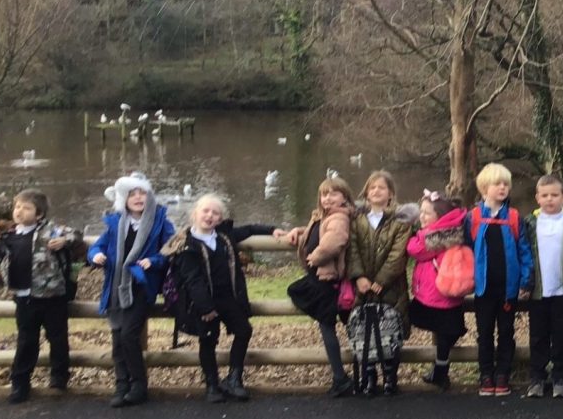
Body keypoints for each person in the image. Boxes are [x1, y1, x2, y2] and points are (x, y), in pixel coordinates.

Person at [164, 195, 284, 403]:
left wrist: (272, 230)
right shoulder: (186, 245)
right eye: (205, 211)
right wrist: (206, 308)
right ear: (195, 214)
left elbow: (249, 229)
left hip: (228, 297)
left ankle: (234, 378)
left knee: (244, 330)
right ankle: (212, 384)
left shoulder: (224, 236)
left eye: (215, 213)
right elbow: (193, 280)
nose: (210, 216)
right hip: (202, 302)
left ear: (220, 218)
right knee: (208, 340)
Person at [0, 188, 82, 404]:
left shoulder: (50, 230)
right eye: (17, 207)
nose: (19, 211)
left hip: (52, 296)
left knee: (57, 338)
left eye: (26, 208)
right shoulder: (8, 235)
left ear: (39, 214)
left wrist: (63, 240)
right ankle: (20, 382)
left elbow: (77, 234)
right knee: (26, 341)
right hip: (23, 297)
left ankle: (59, 377)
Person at [88, 172, 175, 408]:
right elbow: (97, 247)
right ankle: (121, 385)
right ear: (123, 199)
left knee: (128, 335)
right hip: (116, 286)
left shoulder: (160, 222)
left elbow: (171, 250)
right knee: (118, 339)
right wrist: (96, 255)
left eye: (142, 193)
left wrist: (153, 261)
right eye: (132, 194)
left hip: (141, 286)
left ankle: (139, 384)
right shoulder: (116, 223)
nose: (138, 198)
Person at [283, 175, 358, 397]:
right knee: (327, 324)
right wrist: (298, 232)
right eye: (324, 194)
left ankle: (341, 378)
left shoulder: (339, 217)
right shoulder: (322, 216)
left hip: (327, 279)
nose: (328, 198)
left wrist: (315, 257)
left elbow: (335, 241)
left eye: (334, 194)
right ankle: (344, 376)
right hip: (320, 278)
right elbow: (317, 231)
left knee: (327, 325)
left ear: (344, 197)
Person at [464, 163, 533, 396]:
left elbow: (524, 251)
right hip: (483, 289)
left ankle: (503, 373)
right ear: (484, 188)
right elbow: (465, 251)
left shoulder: (513, 217)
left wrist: (525, 281)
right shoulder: (473, 217)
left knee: (506, 332)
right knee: (484, 333)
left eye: (506, 184)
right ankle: (486, 375)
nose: (503, 187)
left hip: (507, 289)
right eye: (497, 184)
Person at [346, 171, 417, 394]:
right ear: (366, 192)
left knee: (390, 328)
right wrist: (359, 276)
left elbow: (398, 254)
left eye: (381, 187)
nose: (376, 191)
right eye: (372, 187)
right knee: (364, 328)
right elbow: (352, 249)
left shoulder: (400, 221)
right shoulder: (356, 219)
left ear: (391, 193)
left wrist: (382, 279)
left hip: (391, 286)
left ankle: (390, 375)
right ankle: (368, 375)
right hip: (363, 285)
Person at [522, 175, 563, 399]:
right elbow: (524, 254)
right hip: (538, 290)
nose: (550, 199)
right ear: (537, 198)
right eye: (545, 195)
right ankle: (537, 378)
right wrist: (525, 282)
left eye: (555, 195)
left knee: (561, 336)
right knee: (537, 337)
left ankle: (560, 376)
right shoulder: (530, 222)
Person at [405, 190, 470, 391]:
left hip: (434, 295)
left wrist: (415, 236)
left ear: (439, 216)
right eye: (421, 212)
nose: (422, 217)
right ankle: (440, 370)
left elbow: (414, 249)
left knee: (438, 329)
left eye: (427, 213)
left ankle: (439, 371)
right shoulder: (454, 232)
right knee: (446, 333)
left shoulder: (435, 237)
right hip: (448, 294)